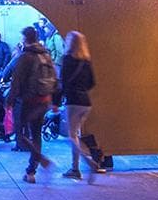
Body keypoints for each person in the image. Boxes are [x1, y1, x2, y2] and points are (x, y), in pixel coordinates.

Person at [9, 25, 57, 183]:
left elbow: (17, 80)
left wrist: (10, 99)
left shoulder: (26, 56)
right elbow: (55, 78)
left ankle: (41, 159)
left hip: (29, 100)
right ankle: (31, 171)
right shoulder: (46, 55)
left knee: (20, 135)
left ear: (25, 39)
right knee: (36, 134)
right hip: (45, 99)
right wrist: (55, 100)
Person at [57, 30, 102, 183]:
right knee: (75, 134)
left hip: (73, 101)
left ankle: (84, 164)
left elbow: (62, 83)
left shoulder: (67, 60)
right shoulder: (86, 61)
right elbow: (92, 83)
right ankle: (75, 168)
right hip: (86, 102)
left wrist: (56, 102)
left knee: (71, 136)